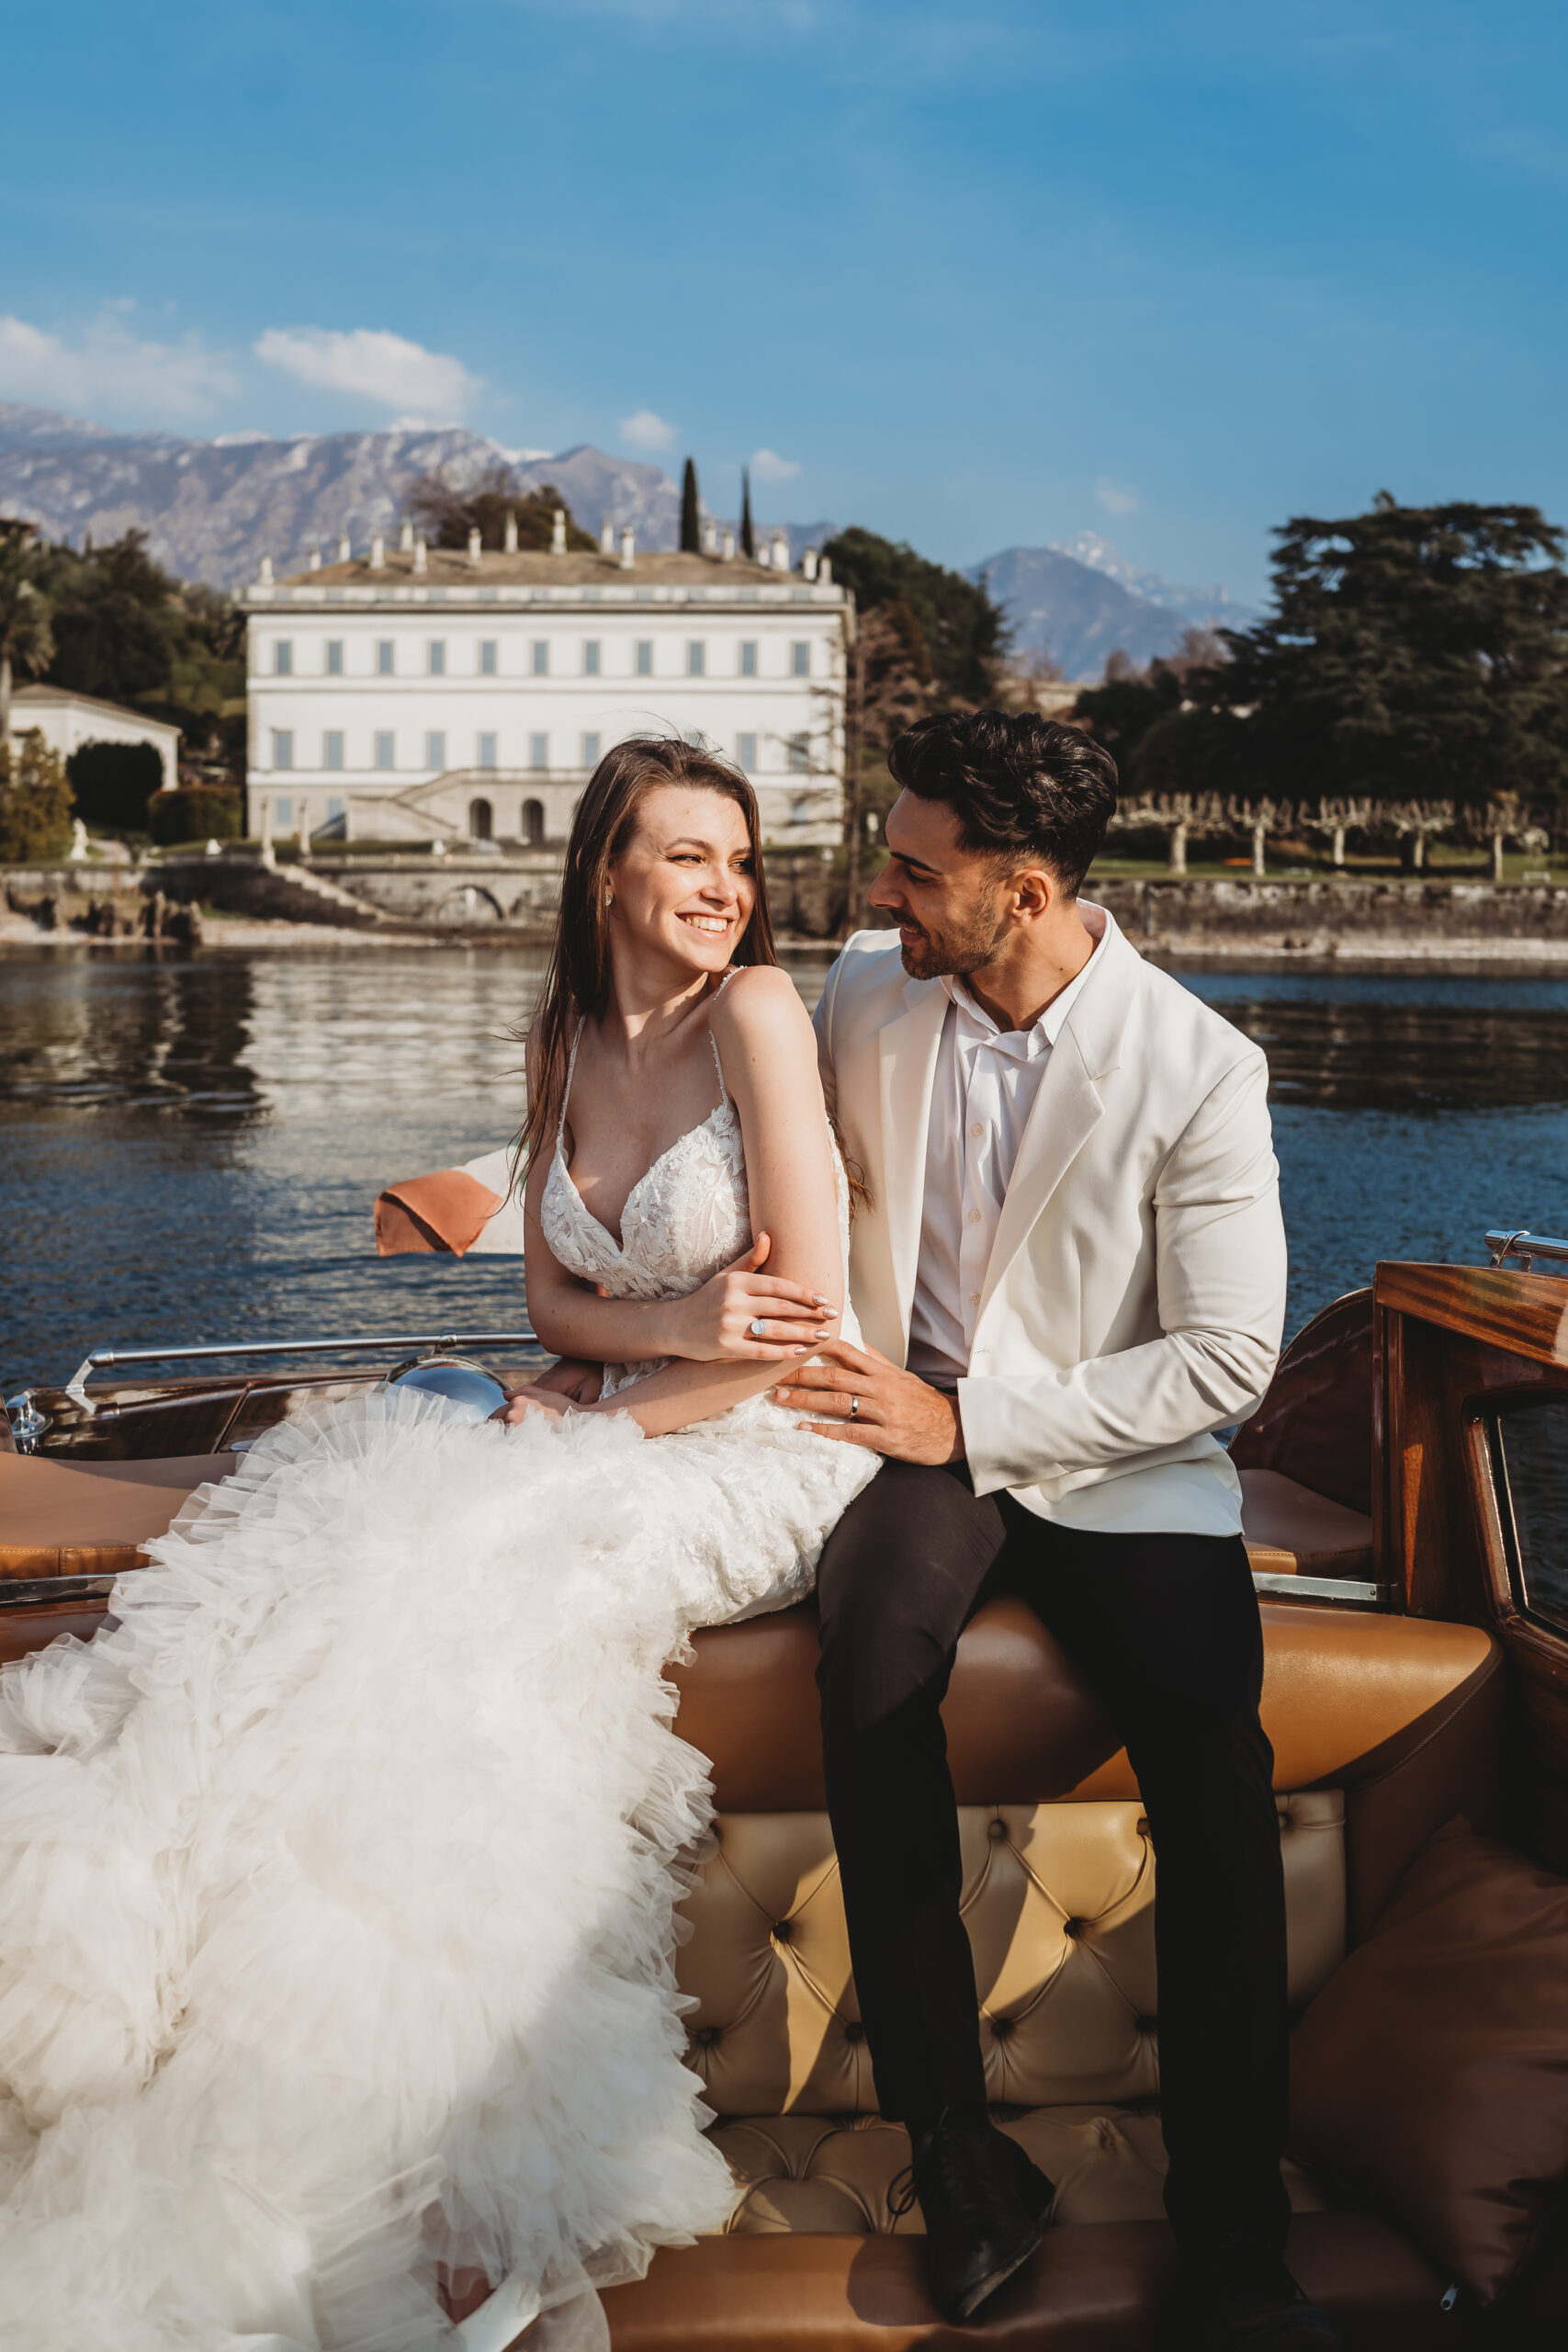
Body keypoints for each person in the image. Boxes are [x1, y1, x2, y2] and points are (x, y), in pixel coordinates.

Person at [0, 739, 877, 2352]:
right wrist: (653, 1329)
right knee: (359, 1530)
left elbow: (801, 1333)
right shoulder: (560, 1032)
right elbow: (546, 1300)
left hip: (770, 1447)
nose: (724, 892)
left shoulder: (757, 1013)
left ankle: (477, 2171)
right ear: (606, 869)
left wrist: (619, 1401)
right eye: (688, 858)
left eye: (738, 863)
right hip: (633, 1403)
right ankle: (267, 2057)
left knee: (476, 1564)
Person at [775, 711, 1348, 2351]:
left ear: (1021, 892)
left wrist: (984, 1422)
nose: (879, 887)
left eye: (912, 867)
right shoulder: (863, 994)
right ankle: (960, 2153)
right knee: (873, 1653)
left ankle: (1236, 2239)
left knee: (1206, 1734)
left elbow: (1229, 1360)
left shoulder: (1199, 1068)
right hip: (910, 1448)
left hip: (1113, 1465)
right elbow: (707, 1146)